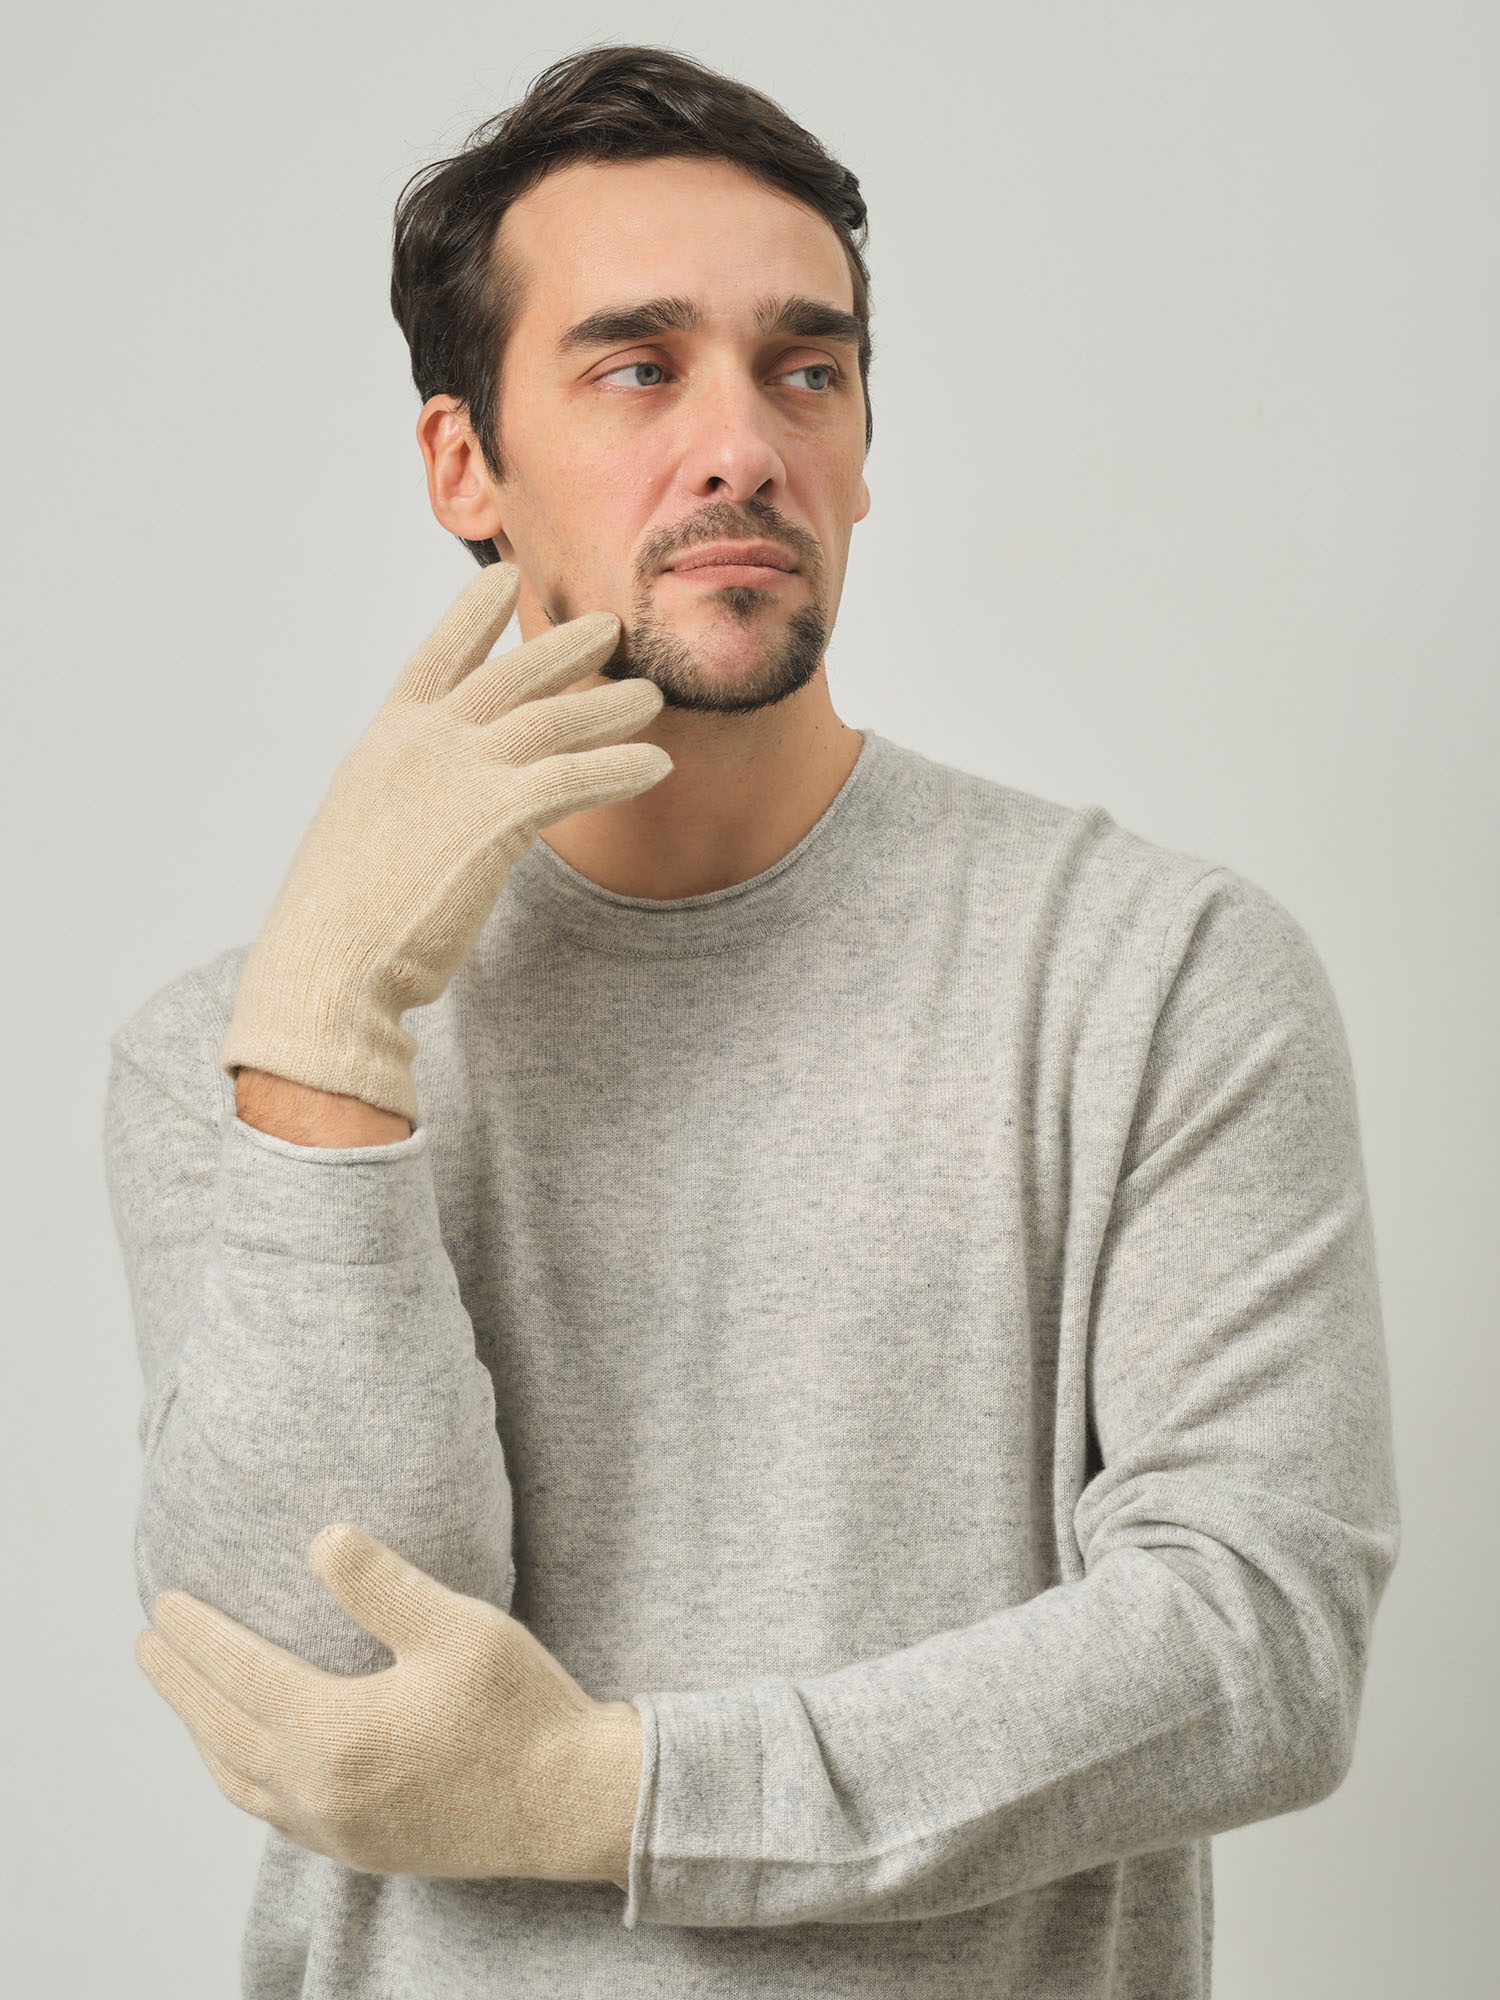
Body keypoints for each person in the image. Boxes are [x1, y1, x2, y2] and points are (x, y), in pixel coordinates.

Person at [103, 41, 1401, 2000]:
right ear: (463, 464)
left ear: (862, 449)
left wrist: (615, 1796)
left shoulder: (1151, 974)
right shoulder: (234, 1050)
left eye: (807, 371)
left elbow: (1260, 1639)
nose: (743, 447)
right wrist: (327, 1033)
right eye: (637, 368)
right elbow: (332, 1701)